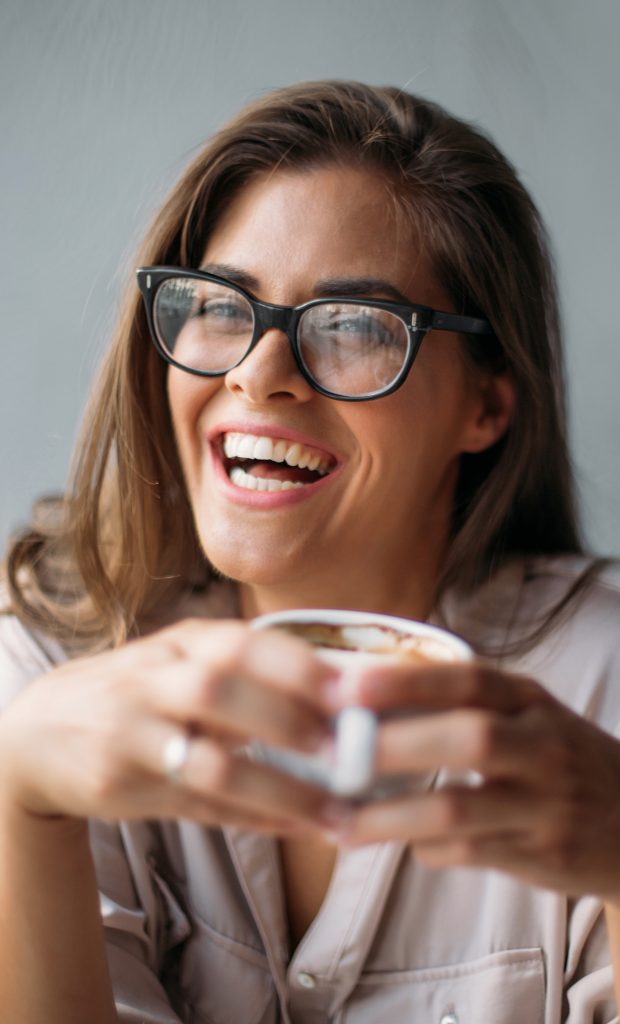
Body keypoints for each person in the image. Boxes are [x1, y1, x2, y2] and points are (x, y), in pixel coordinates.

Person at [1, 80, 620, 1024]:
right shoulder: (45, 669)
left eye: (356, 328)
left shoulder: (602, 686)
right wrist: (22, 803)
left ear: (486, 404)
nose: (257, 372)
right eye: (219, 306)